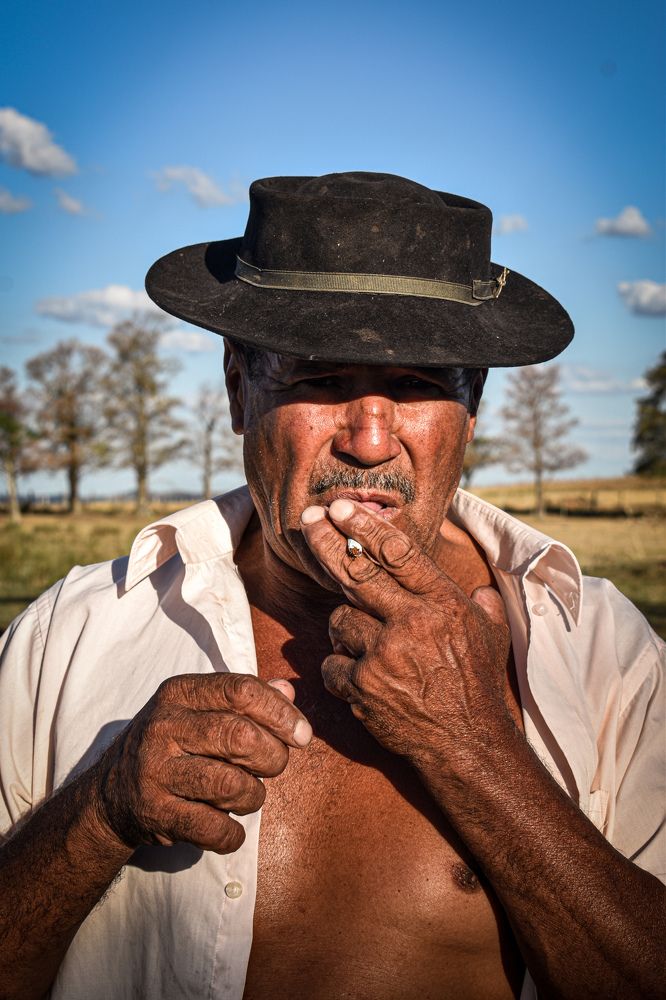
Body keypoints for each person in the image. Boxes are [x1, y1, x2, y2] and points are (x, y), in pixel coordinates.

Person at [0, 173, 664, 1000]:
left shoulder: (603, 653)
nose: (370, 440)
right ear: (239, 388)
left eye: (420, 383)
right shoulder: (67, 639)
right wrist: (99, 812)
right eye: (317, 378)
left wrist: (478, 750)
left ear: (472, 406)